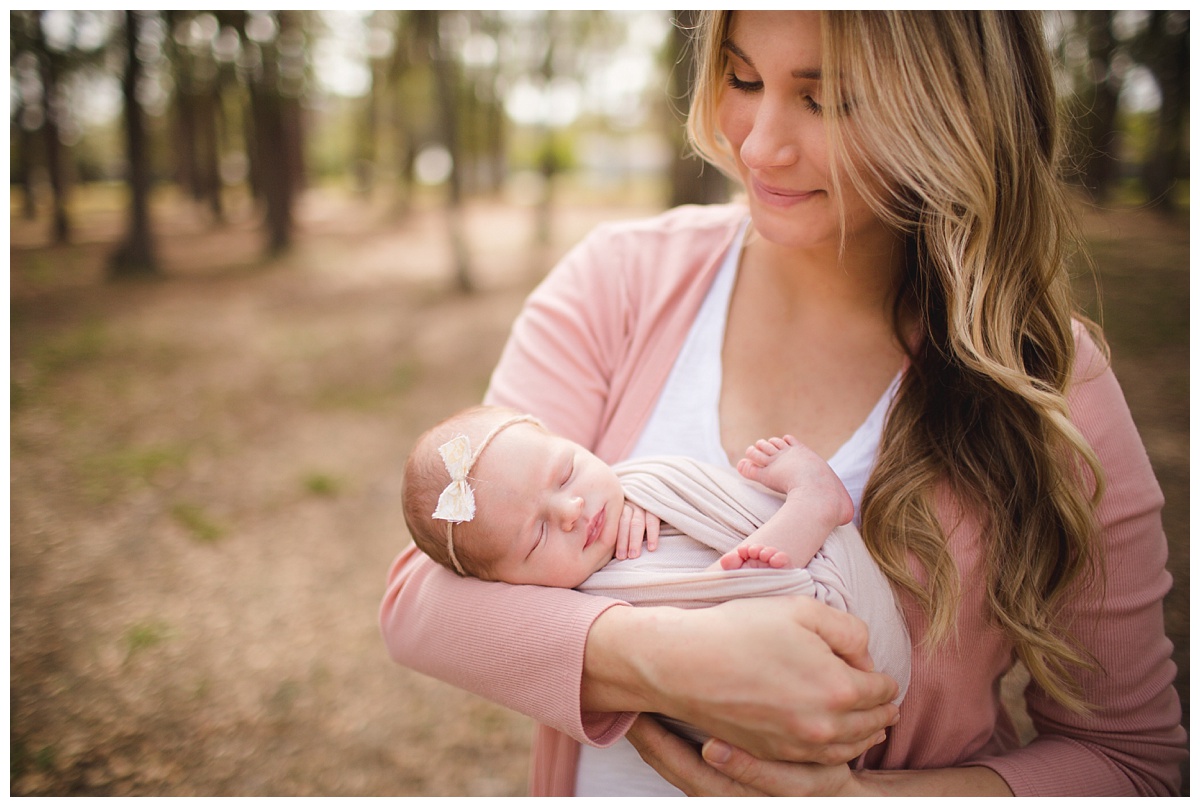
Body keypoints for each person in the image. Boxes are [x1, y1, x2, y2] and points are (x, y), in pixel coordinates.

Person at [381, 10, 1186, 796]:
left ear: (955, 103)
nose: (759, 144)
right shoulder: (618, 283)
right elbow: (426, 598)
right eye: (741, 76)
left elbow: (1133, 760)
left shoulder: (1049, 383)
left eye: (826, 97)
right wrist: (669, 660)